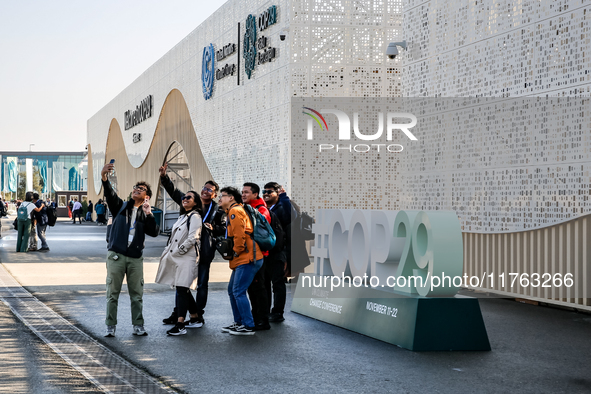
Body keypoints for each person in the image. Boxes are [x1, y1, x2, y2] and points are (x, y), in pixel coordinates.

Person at [159, 164, 226, 326]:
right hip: (188, 251)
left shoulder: (218, 210)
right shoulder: (192, 202)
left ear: (215, 194)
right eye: (204, 188)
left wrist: (214, 227)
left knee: (202, 284)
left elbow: (224, 229)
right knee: (180, 282)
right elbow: (175, 193)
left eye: (210, 190)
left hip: (204, 250)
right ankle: (178, 313)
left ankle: (198, 314)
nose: (206, 191)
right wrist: (164, 177)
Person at [100, 162, 159, 337]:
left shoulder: (145, 212)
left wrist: (149, 213)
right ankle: (110, 326)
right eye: (135, 187)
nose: (136, 190)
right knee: (112, 293)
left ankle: (138, 325)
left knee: (137, 294)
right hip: (116, 256)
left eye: (141, 188)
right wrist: (104, 178)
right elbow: (110, 194)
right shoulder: (121, 206)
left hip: (135, 258)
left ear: (147, 196)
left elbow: (154, 232)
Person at [155, 190, 203, 336]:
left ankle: (180, 324)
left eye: (189, 197)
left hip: (186, 257)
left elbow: (193, 238)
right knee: (182, 288)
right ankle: (195, 317)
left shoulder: (195, 216)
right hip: (178, 257)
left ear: (196, 202)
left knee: (182, 289)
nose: (185, 199)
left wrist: (178, 251)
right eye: (184, 197)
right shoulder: (183, 216)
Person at [219, 186, 263, 335]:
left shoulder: (235, 211)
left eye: (222, 195)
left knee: (238, 291)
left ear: (231, 198)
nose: (220, 198)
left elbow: (239, 235)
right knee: (233, 290)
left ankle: (248, 325)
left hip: (247, 257)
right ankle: (239, 322)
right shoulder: (233, 211)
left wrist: (236, 252)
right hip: (245, 257)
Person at [242, 182, 271, 330]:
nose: (243, 194)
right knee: (253, 288)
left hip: (259, 255)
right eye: (243, 192)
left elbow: (260, 225)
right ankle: (256, 316)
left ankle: (263, 320)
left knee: (259, 288)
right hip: (251, 254)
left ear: (255, 194)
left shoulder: (260, 209)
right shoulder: (249, 208)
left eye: (247, 192)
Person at [262, 182, 292, 322]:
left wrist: (284, 197)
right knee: (265, 283)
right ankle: (266, 310)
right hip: (265, 251)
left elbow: (289, 216)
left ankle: (278, 312)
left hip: (278, 251)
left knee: (278, 283)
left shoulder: (281, 207)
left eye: (270, 191)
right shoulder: (264, 208)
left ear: (277, 194)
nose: (266, 193)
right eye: (265, 191)